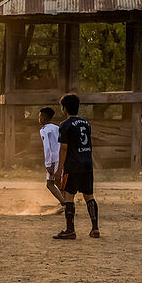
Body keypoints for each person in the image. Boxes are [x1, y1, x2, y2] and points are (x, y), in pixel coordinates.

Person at [53, 93, 99, 240]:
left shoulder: (65, 125)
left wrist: (59, 170)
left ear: (64, 108)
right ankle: (95, 228)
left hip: (72, 166)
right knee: (89, 196)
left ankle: (70, 230)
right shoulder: (86, 123)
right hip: (87, 165)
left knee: (68, 196)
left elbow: (64, 148)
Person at [38, 107, 65, 206]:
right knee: (58, 181)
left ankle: (65, 203)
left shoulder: (44, 130)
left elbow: (47, 148)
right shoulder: (56, 127)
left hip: (53, 159)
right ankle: (67, 201)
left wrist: (48, 164)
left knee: (50, 184)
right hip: (60, 157)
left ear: (43, 118)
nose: (39, 119)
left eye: (40, 117)